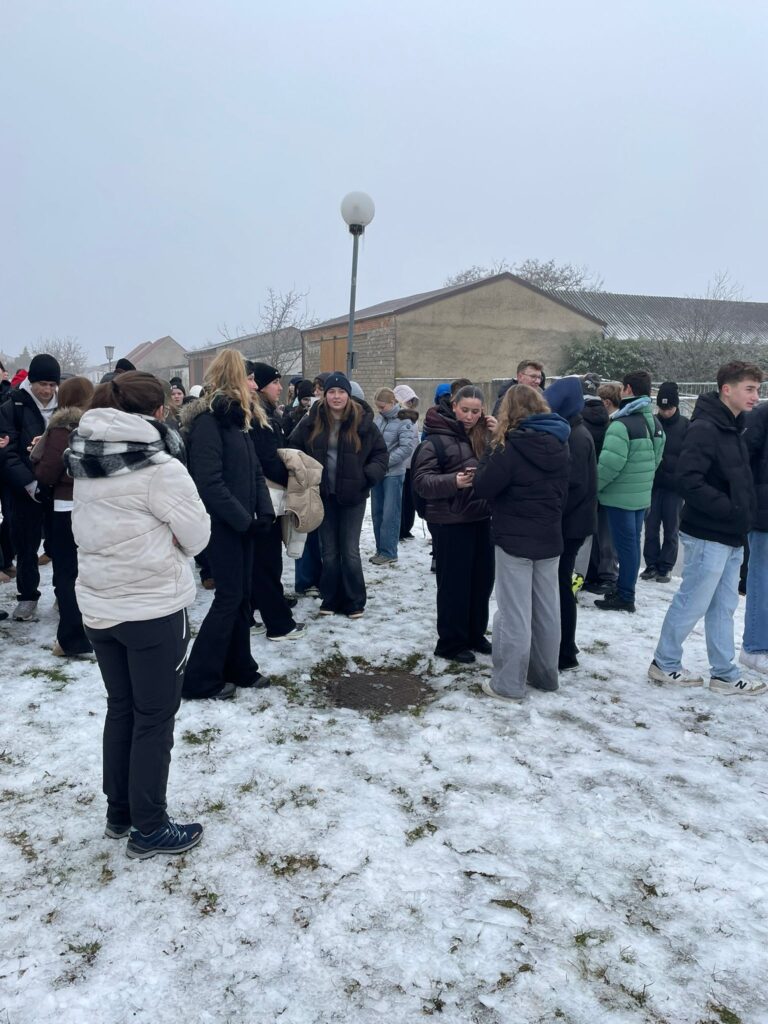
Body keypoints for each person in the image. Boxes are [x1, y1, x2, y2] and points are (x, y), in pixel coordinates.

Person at [67, 371, 211, 858]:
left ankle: (120, 811)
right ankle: (149, 825)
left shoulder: (86, 459)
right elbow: (197, 535)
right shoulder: (160, 468)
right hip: (150, 609)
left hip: (100, 606)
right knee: (153, 717)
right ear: (157, 413)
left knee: (122, 708)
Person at [649, 362, 765, 694]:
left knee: (724, 606)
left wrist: (745, 511)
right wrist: (730, 510)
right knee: (693, 601)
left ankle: (724, 673)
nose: (756, 396)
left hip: (731, 535)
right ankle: (664, 663)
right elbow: (688, 481)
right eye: (750, 389)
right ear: (727, 389)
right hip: (707, 534)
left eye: (758, 389)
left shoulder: (735, 425)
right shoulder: (705, 428)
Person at [183, 350, 274, 699]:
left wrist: (263, 512)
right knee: (229, 598)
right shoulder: (210, 422)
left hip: (245, 525)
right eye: (250, 378)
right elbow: (209, 483)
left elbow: (253, 470)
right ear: (234, 379)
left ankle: (240, 667)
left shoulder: (239, 419)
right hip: (222, 527)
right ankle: (199, 678)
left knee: (242, 599)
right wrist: (242, 520)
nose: (255, 385)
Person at [473, 384, 570, 700]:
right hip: (550, 536)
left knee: (514, 614)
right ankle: (545, 676)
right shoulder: (560, 442)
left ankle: (508, 683)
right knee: (546, 611)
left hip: (514, 539)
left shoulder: (509, 447)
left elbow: (484, 485)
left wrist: (491, 445)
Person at [290, 371, 388, 618]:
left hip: (354, 496)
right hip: (324, 496)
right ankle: (330, 598)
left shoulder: (363, 420)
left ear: (348, 394)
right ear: (324, 394)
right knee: (330, 551)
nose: (336, 396)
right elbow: (293, 447)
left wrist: (367, 476)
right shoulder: (312, 420)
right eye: (331, 392)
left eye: (341, 392)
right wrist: (306, 474)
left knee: (350, 551)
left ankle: (355, 600)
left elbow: (380, 454)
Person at [412, 384, 495, 663]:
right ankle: (450, 642)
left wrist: (497, 434)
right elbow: (422, 481)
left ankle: (474, 633)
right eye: (465, 410)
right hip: (450, 521)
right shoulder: (434, 440)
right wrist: (454, 481)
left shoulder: (484, 436)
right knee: (454, 585)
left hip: (481, 517)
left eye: (475, 411)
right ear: (454, 406)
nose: (469, 416)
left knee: (481, 581)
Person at [30, 375, 95, 656]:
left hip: (66, 507)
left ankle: (72, 637)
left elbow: (48, 472)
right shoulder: (98, 428)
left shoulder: (62, 429)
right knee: (88, 570)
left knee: (67, 574)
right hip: (95, 506)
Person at [594, 370, 664, 613]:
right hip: (641, 496)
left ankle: (625, 595)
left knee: (626, 547)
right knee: (632, 545)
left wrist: (594, 487)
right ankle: (626, 590)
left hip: (619, 497)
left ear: (628, 390)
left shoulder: (621, 424)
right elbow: (657, 458)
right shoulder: (654, 422)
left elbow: (609, 465)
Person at [246, 361, 305, 640]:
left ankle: (254, 608)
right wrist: (292, 475)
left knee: (258, 561)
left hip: (258, 497)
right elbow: (268, 459)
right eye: (275, 383)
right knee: (266, 561)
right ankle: (279, 624)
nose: (281, 388)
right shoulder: (258, 417)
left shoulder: (264, 413)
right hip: (263, 498)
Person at [0, 353, 60, 621]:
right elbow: (7, 451)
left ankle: (65, 593)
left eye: (51, 384)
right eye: (41, 384)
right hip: (22, 489)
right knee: (26, 545)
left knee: (61, 544)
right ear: (31, 382)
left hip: (58, 488)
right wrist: (29, 482)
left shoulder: (64, 406)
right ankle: (27, 596)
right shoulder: (12, 406)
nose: (47, 390)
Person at [544, 377, 597, 671]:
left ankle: (565, 650)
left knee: (561, 586)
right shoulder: (575, 431)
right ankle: (564, 647)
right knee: (560, 584)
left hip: (570, 525)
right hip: (573, 522)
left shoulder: (575, 437)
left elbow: (572, 485)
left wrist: (551, 515)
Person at [640, 382, 689, 583]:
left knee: (671, 528)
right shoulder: (651, 423)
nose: (665, 412)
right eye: (662, 408)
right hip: (652, 485)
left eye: (669, 408)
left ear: (676, 406)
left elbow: (690, 456)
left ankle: (666, 567)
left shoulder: (686, 426)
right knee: (650, 527)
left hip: (674, 489)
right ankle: (651, 564)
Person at [370, 387, 417, 565]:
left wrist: (384, 461)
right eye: (378, 407)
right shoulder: (379, 419)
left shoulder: (404, 421)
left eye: (382, 407)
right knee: (377, 512)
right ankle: (380, 549)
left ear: (392, 403)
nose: (380, 410)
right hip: (377, 472)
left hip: (393, 473)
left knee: (391, 513)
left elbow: (406, 448)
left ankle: (389, 551)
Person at [581, 376, 618, 595]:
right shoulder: (611, 422)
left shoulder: (576, 420)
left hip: (588, 484)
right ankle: (607, 574)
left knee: (589, 532)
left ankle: (592, 574)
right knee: (606, 533)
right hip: (606, 485)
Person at [741, 394, 768, 675]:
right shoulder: (761, 415)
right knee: (761, 579)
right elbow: (742, 462)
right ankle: (755, 647)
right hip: (763, 514)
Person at [393, 384, 421, 539]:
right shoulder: (398, 417)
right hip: (400, 464)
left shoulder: (413, 417)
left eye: (412, 401)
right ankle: (399, 528)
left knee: (410, 499)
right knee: (400, 499)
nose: (410, 404)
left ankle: (406, 527)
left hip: (413, 464)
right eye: (408, 401)